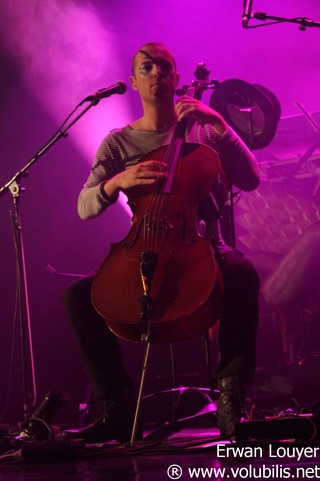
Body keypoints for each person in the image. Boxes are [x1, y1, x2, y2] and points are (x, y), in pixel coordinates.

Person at [63, 42, 260, 442]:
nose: (157, 73)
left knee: (241, 274)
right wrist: (115, 182)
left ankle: (231, 396)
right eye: (147, 67)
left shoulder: (204, 128)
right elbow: (84, 206)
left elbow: (252, 178)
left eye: (165, 67)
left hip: (200, 248)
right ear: (134, 81)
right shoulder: (118, 143)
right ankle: (115, 406)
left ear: (175, 77)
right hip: (141, 249)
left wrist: (219, 122)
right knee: (78, 297)